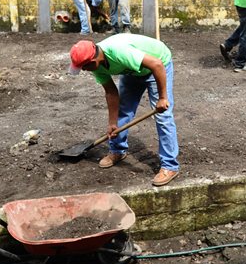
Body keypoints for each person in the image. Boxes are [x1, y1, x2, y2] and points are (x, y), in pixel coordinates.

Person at [69, 35, 180, 187]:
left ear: (92, 61)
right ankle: (118, 150)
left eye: (84, 67)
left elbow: (157, 64)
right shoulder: (97, 66)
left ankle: (170, 166)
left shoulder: (119, 52)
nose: (83, 70)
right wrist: (112, 123)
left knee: (163, 116)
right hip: (133, 71)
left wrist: (162, 98)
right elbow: (111, 92)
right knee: (123, 111)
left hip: (157, 64)